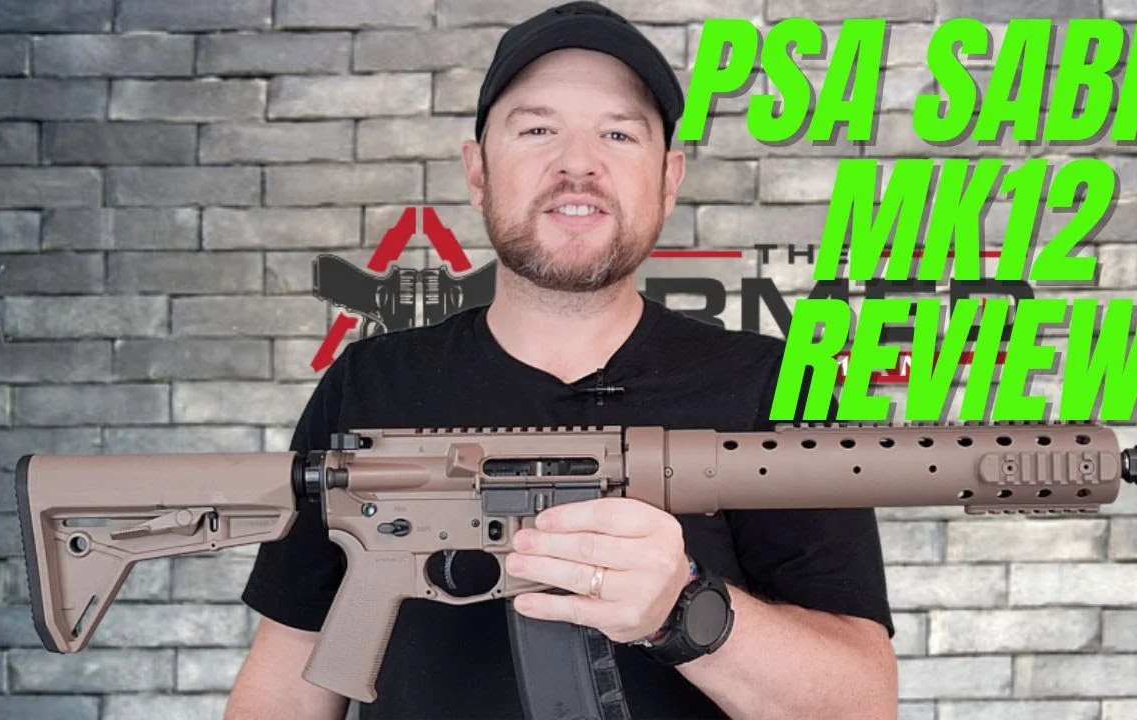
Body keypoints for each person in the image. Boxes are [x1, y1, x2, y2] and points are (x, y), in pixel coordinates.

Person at [225, 3, 896, 719]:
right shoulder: (370, 383)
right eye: (538, 129)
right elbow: (285, 684)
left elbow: (862, 705)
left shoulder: (777, 386)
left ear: (668, 179)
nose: (578, 163)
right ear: (478, 170)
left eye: (618, 133)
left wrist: (683, 609)